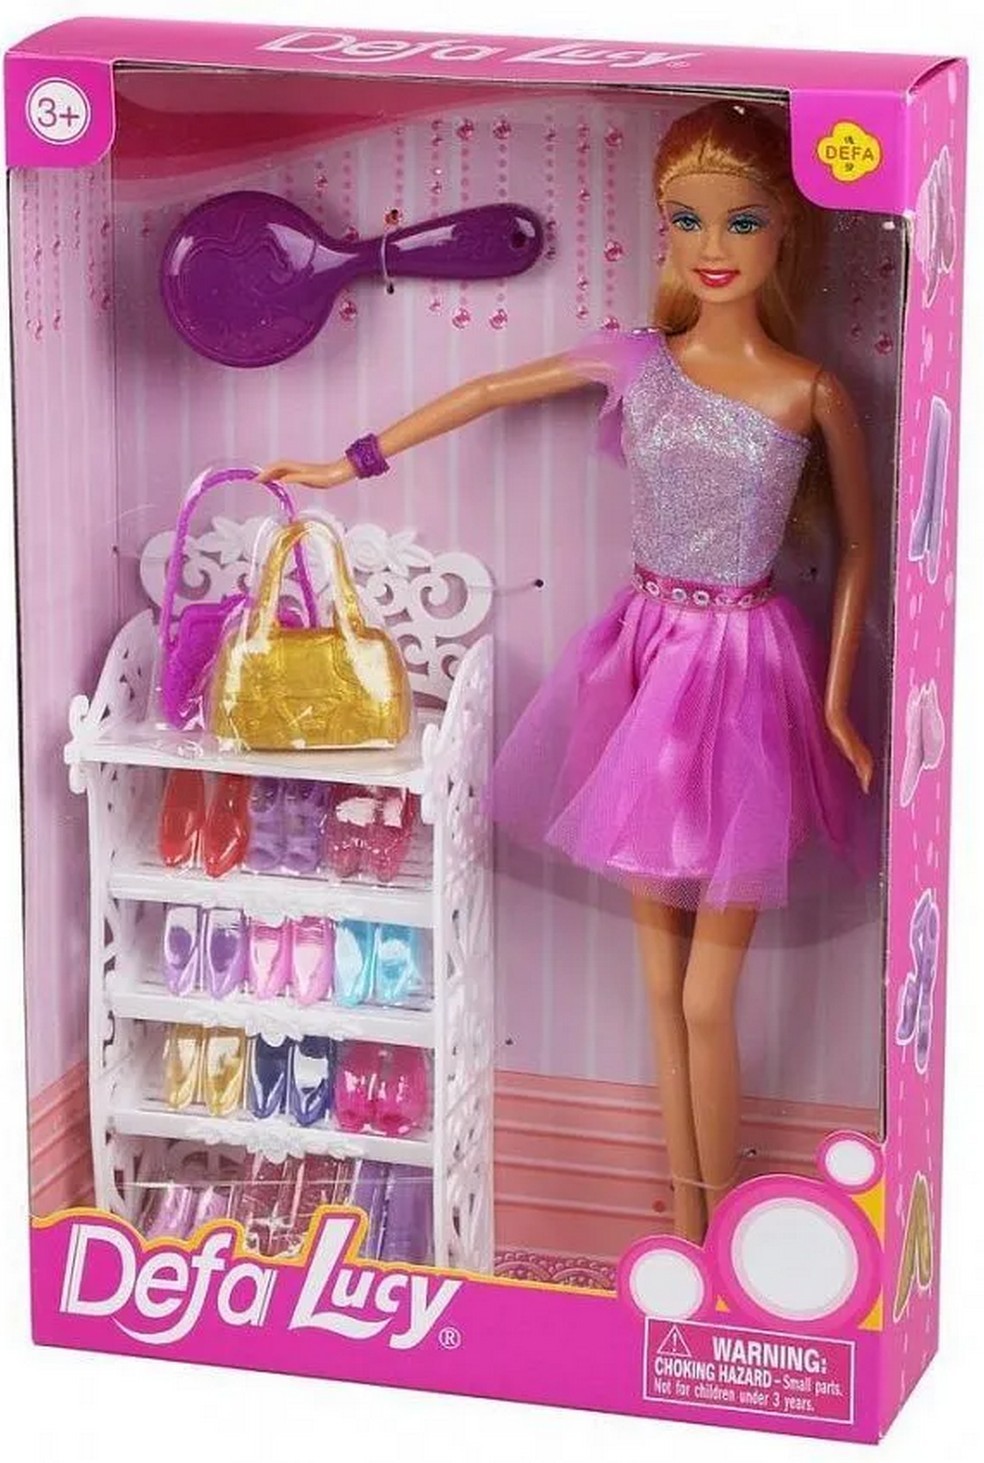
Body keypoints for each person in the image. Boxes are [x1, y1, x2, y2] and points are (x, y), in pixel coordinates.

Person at [264, 100, 874, 1244]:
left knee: (706, 996)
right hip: (643, 667)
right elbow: (491, 390)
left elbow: (858, 552)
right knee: (659, 990)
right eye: (686, 219)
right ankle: (687, 1228)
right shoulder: (636, 358)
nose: (712, 246)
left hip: (744, 677)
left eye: (741, 221)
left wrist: (837, 700)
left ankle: (723, 1241)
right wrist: (351, 462)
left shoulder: (808, 389)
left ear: (784, 229)